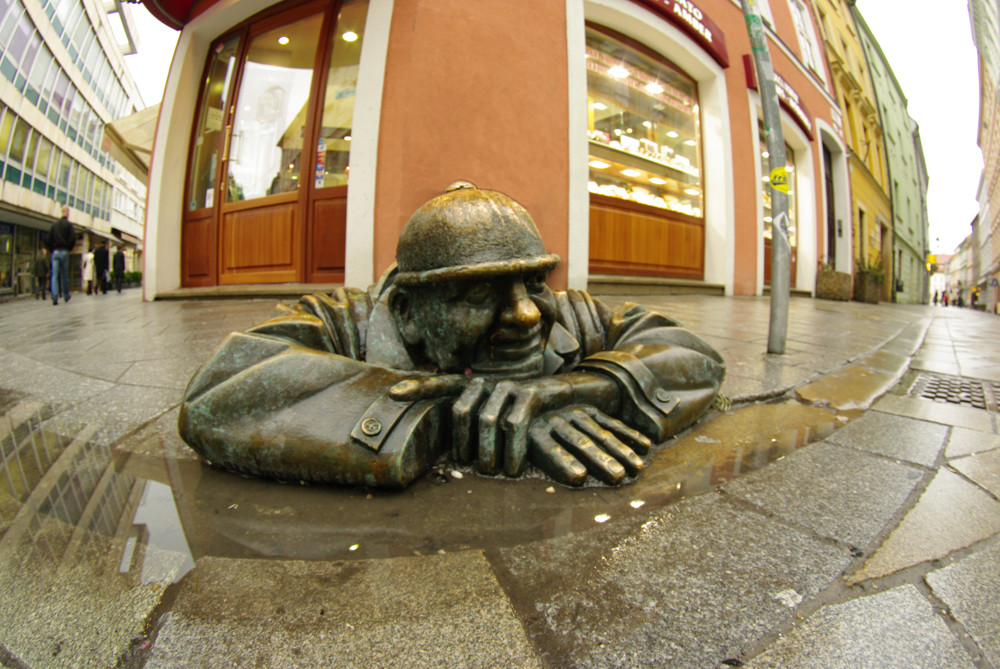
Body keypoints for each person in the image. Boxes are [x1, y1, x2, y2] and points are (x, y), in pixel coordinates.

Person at [179, 183, 726, 488]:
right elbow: (219, 393)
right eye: (477, 294)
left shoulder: (570, 315)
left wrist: (576, 389)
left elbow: (694, 355)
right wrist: (455, 414)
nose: (528, 315)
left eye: (534, 282)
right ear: (410, 311)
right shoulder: (339, 320)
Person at [48, 205, 76, 305]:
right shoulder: (69, 225)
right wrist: (69, 248)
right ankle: (66, 295)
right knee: (64, 275)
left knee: (54, 275)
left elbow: (49, 239)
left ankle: (54, 296)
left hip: (55, 252)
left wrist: (52, 249)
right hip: (64, 251)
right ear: (67, 213)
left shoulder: (54, 225)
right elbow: (73, 238)